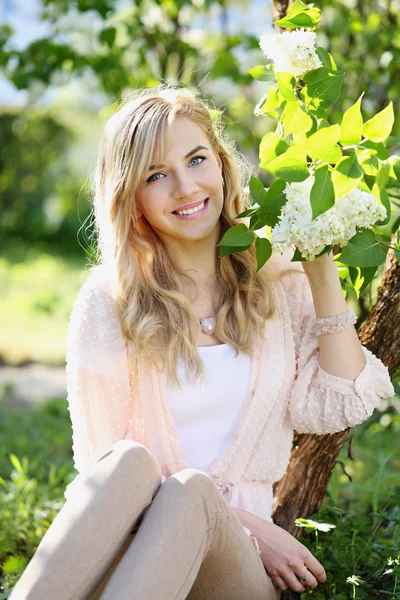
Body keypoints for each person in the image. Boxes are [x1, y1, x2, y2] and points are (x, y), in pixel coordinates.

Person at [10, 84, 394, 600]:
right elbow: (101, 478)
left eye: (196, 160)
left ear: (221, 164)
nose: (186, 188)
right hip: (137, 553)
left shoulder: (277, 283)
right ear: (133, 197)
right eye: (157, 175)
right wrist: (264, 528)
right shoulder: (108, 302)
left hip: (234, 569)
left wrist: (322, 270)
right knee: (126, 462)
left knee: (192, 493)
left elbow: (339, 402)